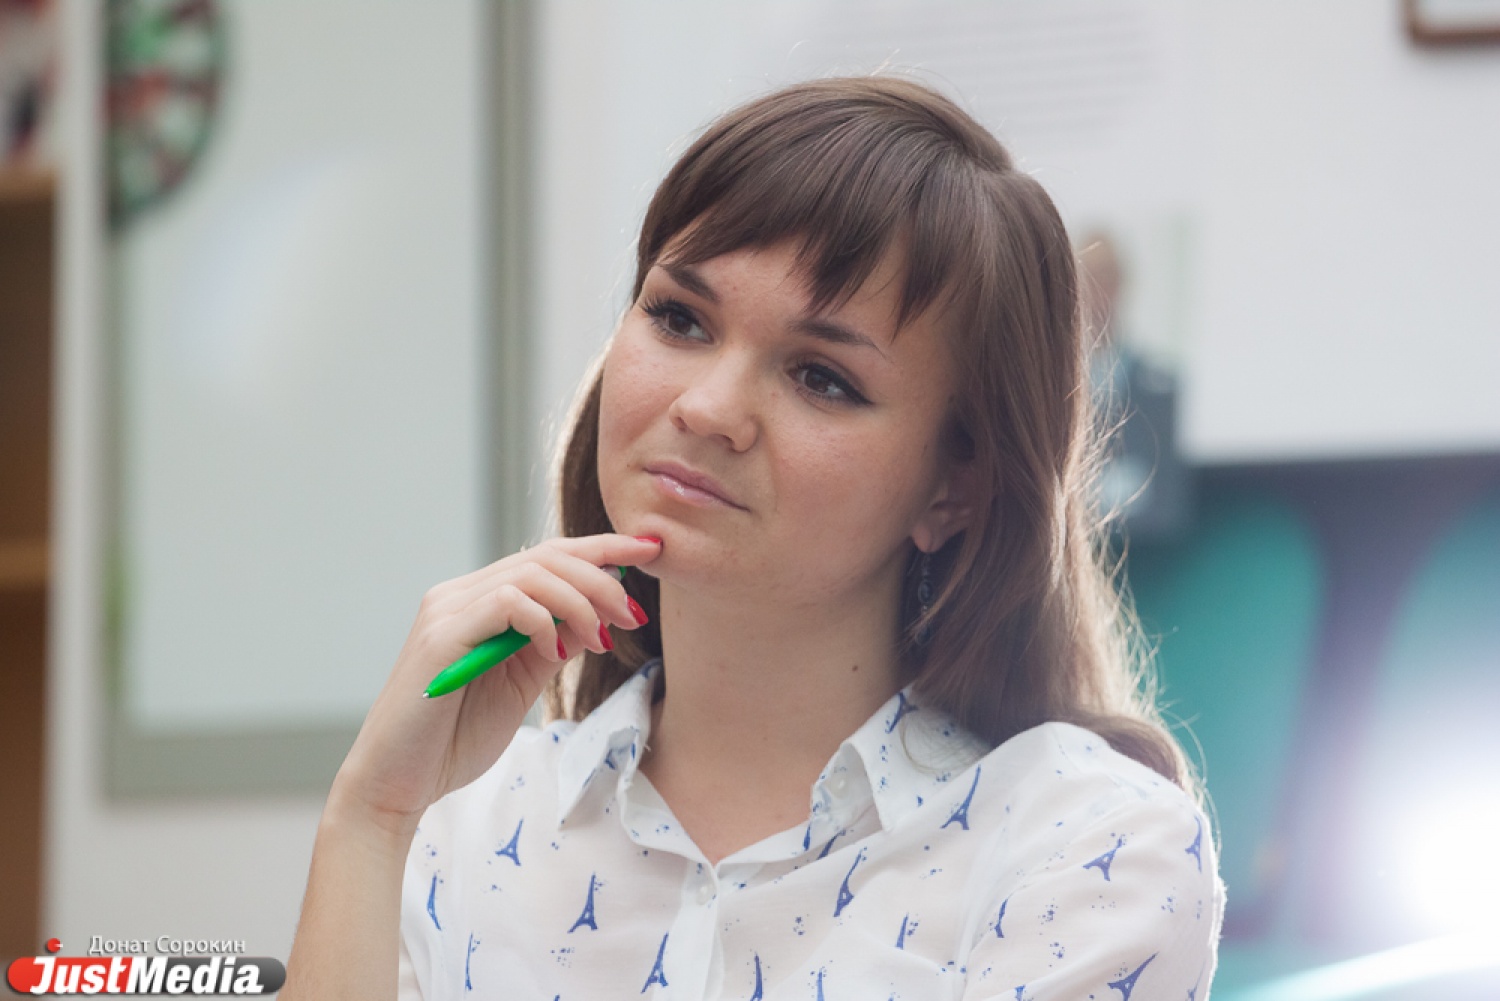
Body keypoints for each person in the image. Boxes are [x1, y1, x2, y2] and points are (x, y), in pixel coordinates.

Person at [282, 75, 1224, 1000]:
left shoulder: (1090, 846)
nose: (708, 407)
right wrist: (371, 816)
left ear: (954, 488)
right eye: (678, 318)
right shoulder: (462, 823)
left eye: (821, 377)